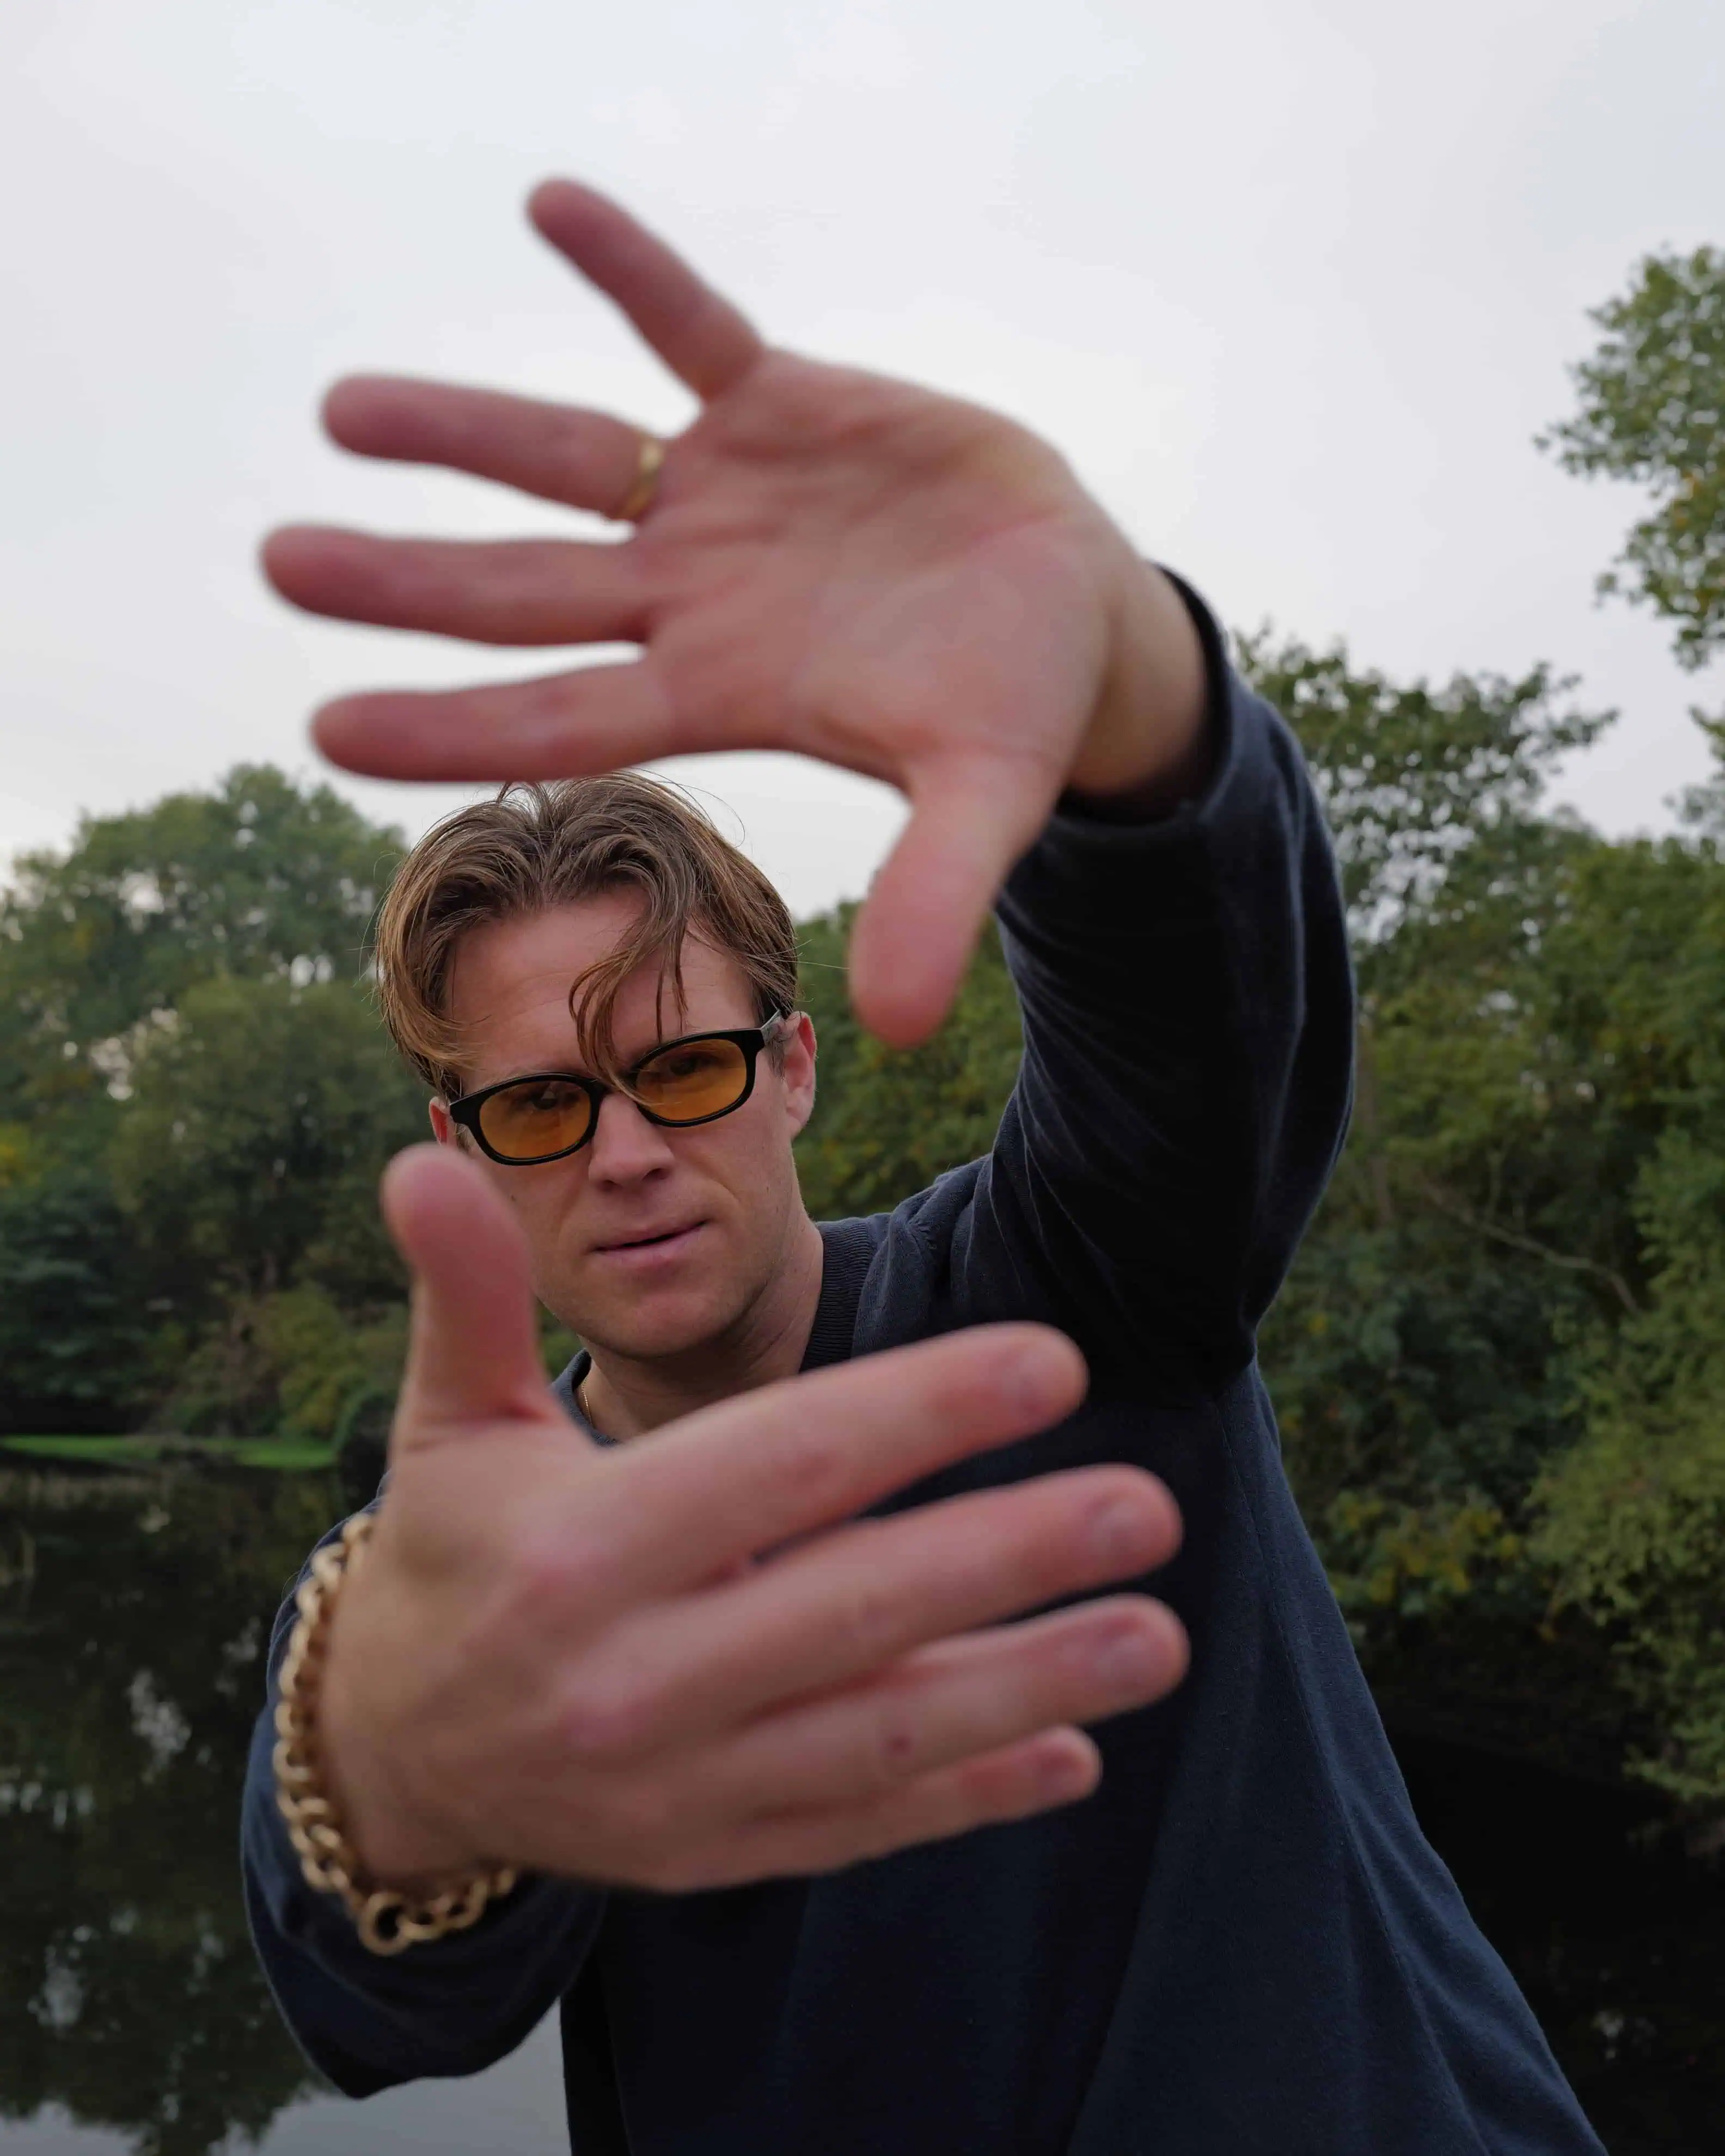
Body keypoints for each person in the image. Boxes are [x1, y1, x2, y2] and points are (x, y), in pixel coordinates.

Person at [241, 181, 1606, 2154]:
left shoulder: (1074, 1291)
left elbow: (1198, 1018)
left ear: (792, 1067)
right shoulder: (483, 1560)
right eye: (542, 1108)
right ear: (462, 1154)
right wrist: (392, 1765)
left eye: (684, 1068)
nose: (625, 1154)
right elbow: (375, 2007)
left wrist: (1117, 699)